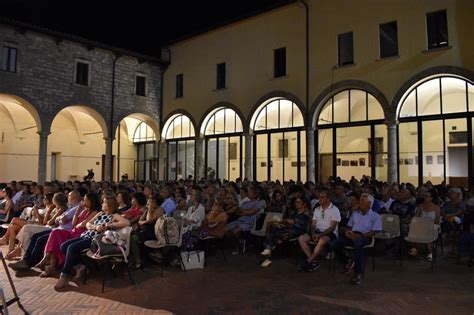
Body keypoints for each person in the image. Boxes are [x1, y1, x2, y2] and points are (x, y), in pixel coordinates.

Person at [54, 196, 130, 289]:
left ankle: (64, 276)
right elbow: (88, 224)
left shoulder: (114, 216)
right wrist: (95, 227)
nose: (102, 204)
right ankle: (80, 266)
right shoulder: (99, 214)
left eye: (104, 203)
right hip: (86, 235)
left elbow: (127, 222)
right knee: (63, 246)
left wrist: (108, 225)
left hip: (95, 240)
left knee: (71, 248)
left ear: (109, 205)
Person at [36, 193, 101, 276]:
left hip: (81, 234)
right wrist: (77, 212)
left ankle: (53, 266)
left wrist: (78, 224)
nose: (84, 202)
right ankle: (47, 257)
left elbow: (84, 224)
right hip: (74, 231)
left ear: (92, 201)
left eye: (86, 200)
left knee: (57, 240)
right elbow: (74, 224)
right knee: (55, 233)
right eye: (84, 200)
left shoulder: (94, 212)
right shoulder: (83, 210)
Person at [331, 193, 382, 285]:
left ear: (369, 203)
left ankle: (358, 273)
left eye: (362, 200)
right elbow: (349, 227)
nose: (360, 202)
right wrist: (348, 232)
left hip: (366, 236)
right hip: (352, 235)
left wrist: (360, 236)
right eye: (360, 200)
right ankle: (347, 261)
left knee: (358, 243)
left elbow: (374, 232)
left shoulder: (375, 216)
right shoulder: (355, 213)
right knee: (335, 243)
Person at [260, 197, 311, 267]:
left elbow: (302, 226)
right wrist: (285, 222)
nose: (296, 203)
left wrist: (292, 222)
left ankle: (269, 249)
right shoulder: (295, 212)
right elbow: (288, 220)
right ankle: (272, 246)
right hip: (288, 228)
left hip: (297, 231)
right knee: (273, 228)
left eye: (298, 202)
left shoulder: (306, 214)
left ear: (304, 204)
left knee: (275, 234)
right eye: (296, 202)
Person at [298, 190, 341, 271]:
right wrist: (313, 233)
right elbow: (313, 224)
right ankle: (313, 260)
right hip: (317, 231)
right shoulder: (317, 209)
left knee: (322, 240)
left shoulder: (335, 210)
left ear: (328, 199)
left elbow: (332, 227)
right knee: (301, 238)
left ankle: (309, 261)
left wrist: (319, 235)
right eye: (319, 197)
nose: (319, 199)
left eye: (322, 197)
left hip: (329, 233)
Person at [225, 187, 263, 255]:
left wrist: (243, 211)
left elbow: (250, 212)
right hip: (240, 220)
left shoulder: (258, 203)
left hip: (248, 223)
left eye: (250, 192)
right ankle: (237, 244)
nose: (248, 193)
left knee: (235, 231)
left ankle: (239, 247)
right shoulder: (245, 203)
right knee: (225, 229)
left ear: (255, 195)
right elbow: (238, 213)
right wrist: (244, 211)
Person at [409, 189, 441, 261]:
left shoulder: (436, 208)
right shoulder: (421, 206)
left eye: (427, 196)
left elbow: (437, 221)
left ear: (431, 198)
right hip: (422, 226)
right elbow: (415, 218)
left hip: (433, 226)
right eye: (424, 196)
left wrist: (427, 224)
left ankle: (430, 252)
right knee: (415, 228)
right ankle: (416, 249)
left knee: (426, 230)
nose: (424, 197)